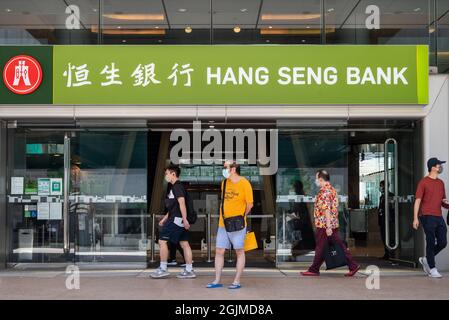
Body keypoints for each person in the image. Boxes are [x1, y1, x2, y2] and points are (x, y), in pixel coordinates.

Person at [301, 169, 360, 277]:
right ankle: (352, 265)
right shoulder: (332, 190)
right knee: (330, 246)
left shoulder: (324, 192)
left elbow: (326, 209)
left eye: (316, 179)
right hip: (332, 224)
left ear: (320, 179)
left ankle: (314, 269)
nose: (315, 181)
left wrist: (328, 227)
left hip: (325, 225)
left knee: (321, 246)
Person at [206, 160, 253, 289]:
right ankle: (216, 280)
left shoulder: (245, 183)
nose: (224, 169)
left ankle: (236, 281)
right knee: (219, 251)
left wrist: (241, 216)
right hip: (223, 223)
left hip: (238, 224)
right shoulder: (224, 183)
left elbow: (250, 204)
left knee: (239, 251)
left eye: (225, 167)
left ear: (233, 169)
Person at [150, 164, 195, 279]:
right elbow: (173, 207)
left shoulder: (177, 187)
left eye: (167, 173)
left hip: (176, 220)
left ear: (173, 174)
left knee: (162, 241)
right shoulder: (176, 187)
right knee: (184, 244)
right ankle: (189, 270)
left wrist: (185, 220)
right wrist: (165, 219)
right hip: (178, 220)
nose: (166, 176)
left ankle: (163, 268)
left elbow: (182, 204)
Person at [413, 157, 449, 278]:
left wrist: (447, 203)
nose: (440, 167)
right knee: (430, 241)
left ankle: (426, 259)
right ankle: (432, 268)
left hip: (438, 216)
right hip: (426, 215)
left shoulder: (441, 183)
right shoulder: (423, 182)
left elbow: (443, 201)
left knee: (443, 242)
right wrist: (415, 218)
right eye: (439, 165)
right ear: (433, 167)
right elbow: (417, 201)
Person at [378, 180, 395, 260]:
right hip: (382, 220)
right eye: (380, 186)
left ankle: (391, 254)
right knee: (383, 237)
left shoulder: (391, 195)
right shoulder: (381, 197)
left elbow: (392, 208)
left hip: (389, 220)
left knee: (390, 237)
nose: (380, 188)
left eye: (381, 186)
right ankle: (386, 253)